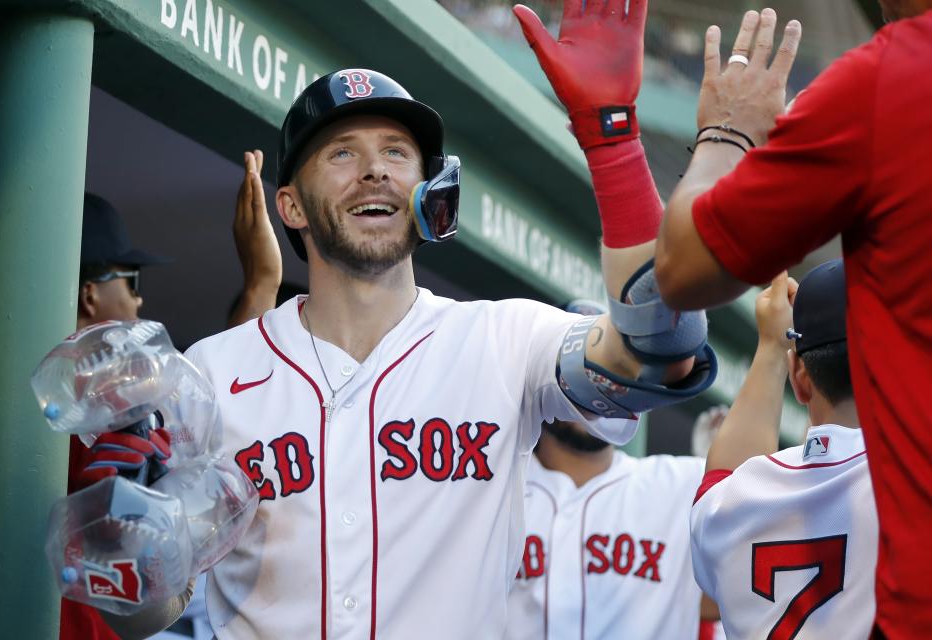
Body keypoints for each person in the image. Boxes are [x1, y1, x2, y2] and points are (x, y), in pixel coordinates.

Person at [83, 2, 722, 637]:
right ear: (291, 205)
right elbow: (152, 615)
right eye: (340, 154)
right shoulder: (212, 373)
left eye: (396, 151)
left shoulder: (505, 338)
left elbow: (658, 350)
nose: (375, 169)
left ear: (427, 192)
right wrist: (130, 549)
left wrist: (610, 138)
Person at [652, 4, 931, 635]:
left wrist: (727, 131)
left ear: (801, 375)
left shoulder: (747, 502)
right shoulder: (891, 475)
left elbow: (683, 267)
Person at [60, 191, 277, 640]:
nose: (138, 302)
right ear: (89, 295)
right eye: (132, 281)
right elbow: (214, 400)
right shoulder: (102, 398)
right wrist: (261, 282)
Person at [505, 304, 720, 640]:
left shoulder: (678, 486)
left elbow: (745, 587)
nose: (597, 391)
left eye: (614, 376)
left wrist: (770, 353)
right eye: (586, 371)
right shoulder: (492, 484)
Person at [691, 262, 877, 639]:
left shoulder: (727, 508)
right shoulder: (911, 483)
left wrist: (773, 347)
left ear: (799, 380)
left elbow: (724, 478)